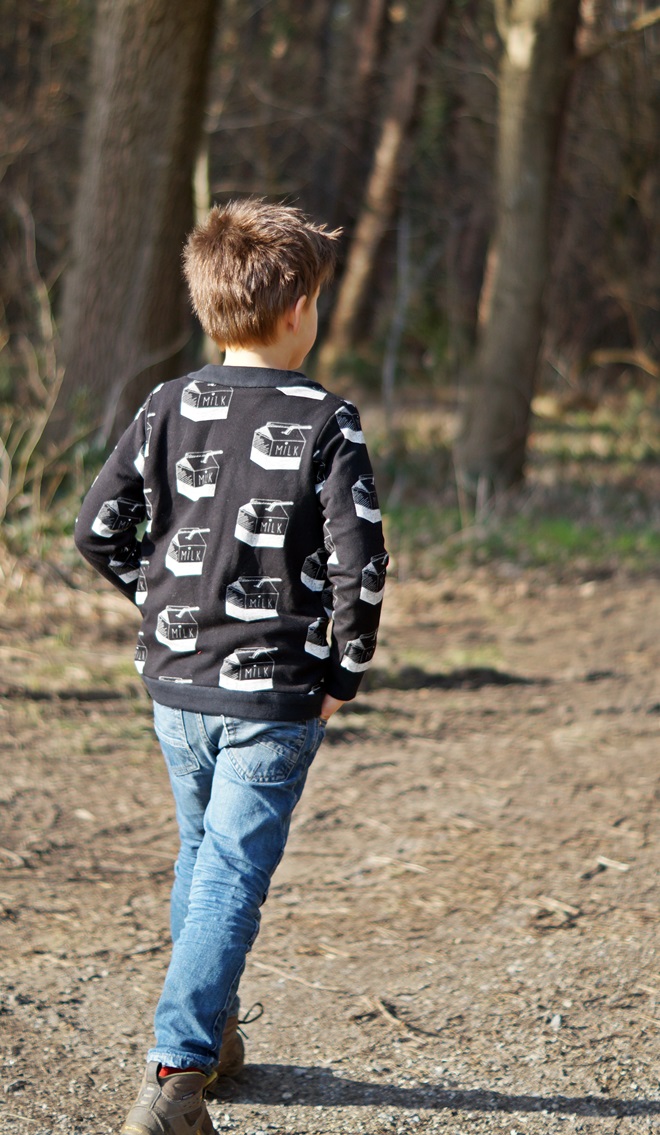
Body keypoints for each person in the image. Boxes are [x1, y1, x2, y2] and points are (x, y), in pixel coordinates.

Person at [74, 199, 388, 1135]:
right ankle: (176, 1069)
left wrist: (159, 603)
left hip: (177, 686)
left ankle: (213, 1031)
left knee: (202, 854)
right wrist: (344, 673)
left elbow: (96, 529)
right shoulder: (327, 419)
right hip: (275, 692)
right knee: (231, 872)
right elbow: (361, 564)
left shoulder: (168, 403)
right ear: (298, 310)